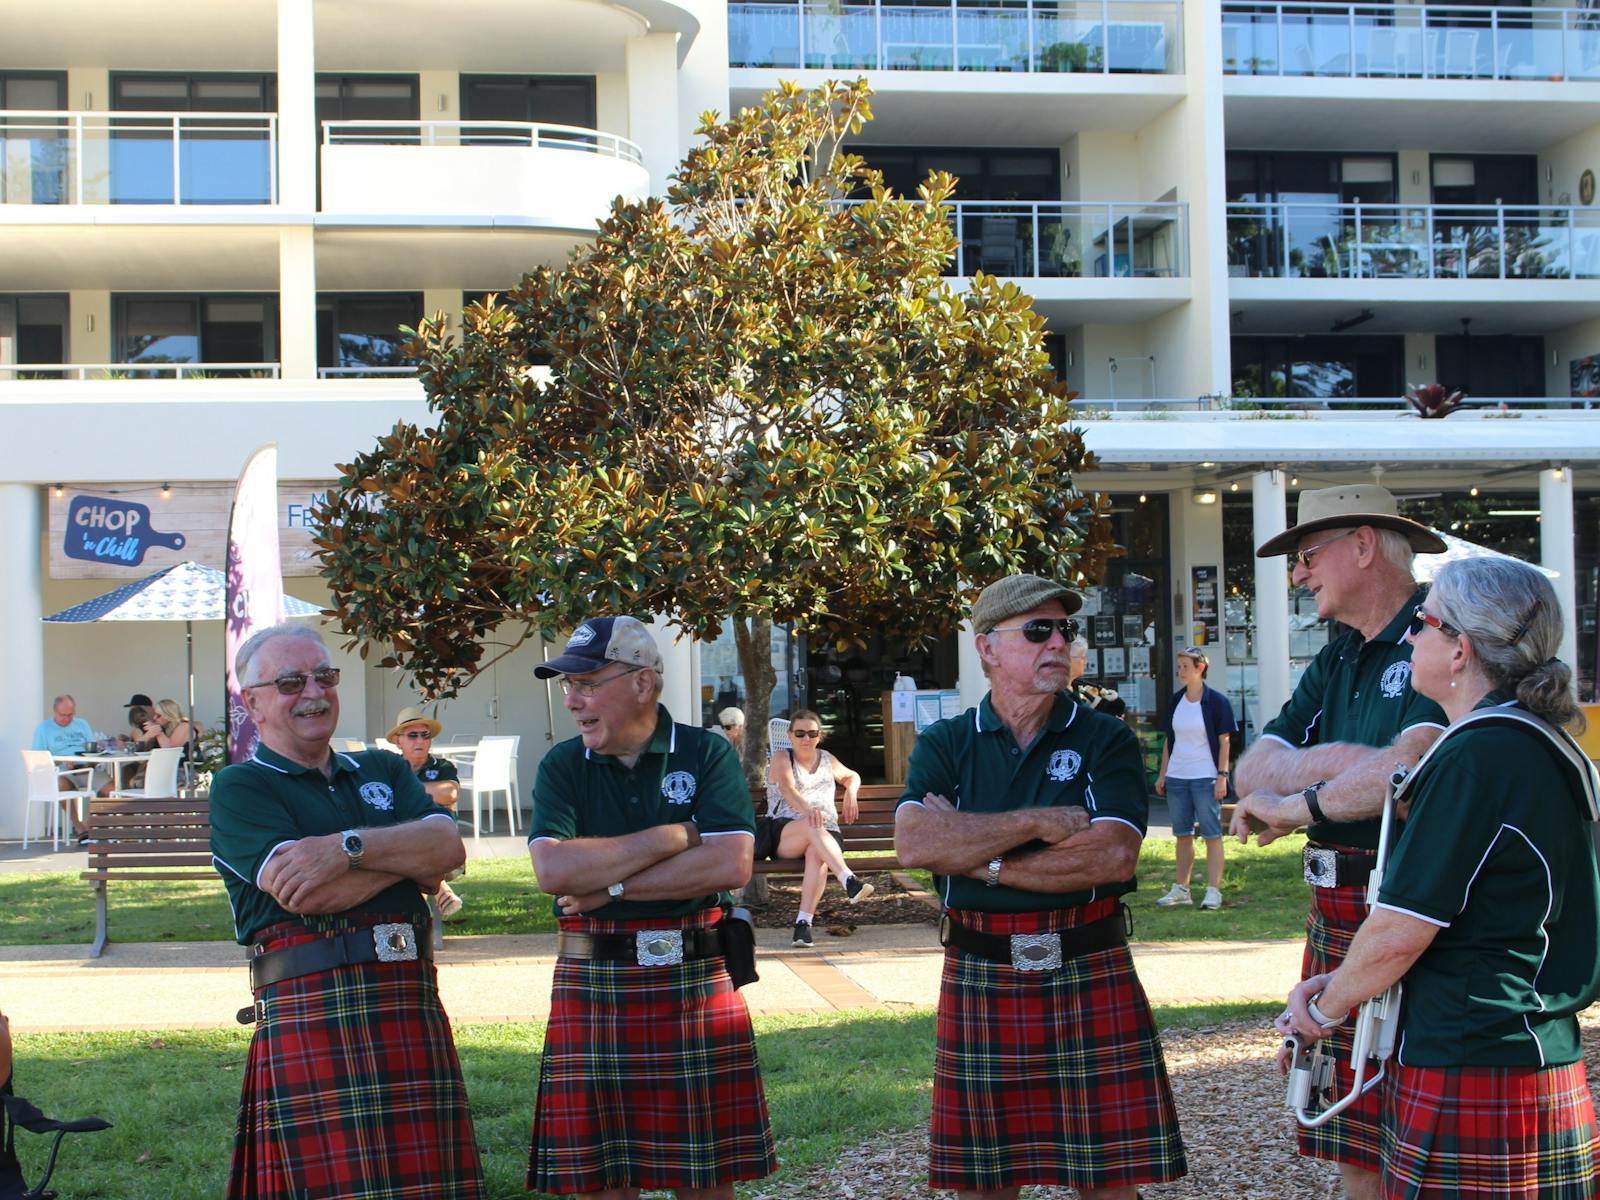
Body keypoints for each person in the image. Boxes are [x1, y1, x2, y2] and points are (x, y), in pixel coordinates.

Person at [1278, 557, 1600, 1198]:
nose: (1412, 637)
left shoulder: (1477, 756)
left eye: (1425, 623)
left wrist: (1324, 1007)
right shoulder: (1538, 742)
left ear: (1461, 650)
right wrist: (1338, 981)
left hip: (1475, 1053)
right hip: (1520, 1048)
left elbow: (1401, 928)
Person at [895, 574, 1186, 1200]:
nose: (1057, 642)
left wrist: (981, 859)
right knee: (982, 1182)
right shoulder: (947, 741)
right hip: (982, 968)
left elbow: (1110, 855)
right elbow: (917, 844)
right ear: (988, 648)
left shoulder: (1104, 737)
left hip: (1087, 963)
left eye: (1065, 629)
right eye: (1037, 630)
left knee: (1108, 1180)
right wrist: (1032, 823)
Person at [208, 622, 484, 1200]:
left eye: (324, 676)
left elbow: (447, 850)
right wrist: (406, 861)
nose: (313, 692)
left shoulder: (383, 769)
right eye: (290, 681)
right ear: (252, 702)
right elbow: (308, 896)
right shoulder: (241, 787)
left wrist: (344, 849)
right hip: (314, 1007)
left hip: (408, 998)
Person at [1229, 484, 1448, 1199]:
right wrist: (1346, 766)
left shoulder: (1443, 631)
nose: (1297, 573)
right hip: (1337, 906)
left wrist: (1295, 806)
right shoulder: (1336, 656)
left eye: (1306, 555)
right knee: (1352, 1132)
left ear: (1361, 545)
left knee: (1424, 1135)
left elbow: (1413, 770)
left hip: (1410, 902)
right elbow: (1250, 769)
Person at [527, 614, 776, 1199]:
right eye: (567, 686)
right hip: (595, 984)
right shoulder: (562, 765)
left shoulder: (706, 753)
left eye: (587, 683)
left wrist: (610, 887)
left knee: (705, 1175)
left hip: (693, 980)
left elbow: (730, 865)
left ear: (644, 683)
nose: (572, 700)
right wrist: (677, 835)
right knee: (601, 1176)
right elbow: (555, 871)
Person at [761, 708, 873, 947]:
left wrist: (851, 792)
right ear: (790, 735)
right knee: (812, 826)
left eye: (812, 734)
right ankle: (848, 880)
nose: (806, 739)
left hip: (825, 834)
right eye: (800, 733)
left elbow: (851, 776)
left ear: (819, 736)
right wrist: (808, 811)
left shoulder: (826, 758)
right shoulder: (782, 757)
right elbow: (788, 789)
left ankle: (803, 925)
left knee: (816, 852)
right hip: (787, 831)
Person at [1153, 645, 1237, 911]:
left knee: (1212, 834)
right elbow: (1170, 740)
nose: (1180, 672)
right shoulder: (1176, 700)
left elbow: (1225, 741)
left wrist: (1222, 776)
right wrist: (1163, 773)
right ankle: (1182, 889)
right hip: (1178, 776)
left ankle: (1213, 891)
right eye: (1179, 667)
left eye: (1185, 667)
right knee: (1182, 834)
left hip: (1205, 777)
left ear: (1200, 668)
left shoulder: (1217, 702)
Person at [388, 704, 465, 919]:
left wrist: (404, 793)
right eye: (413, 735)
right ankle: (440, 891)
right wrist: (427, 794)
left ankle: (419, 922)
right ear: (398, 740)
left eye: (425, 735)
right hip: (402, 846)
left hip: (440, 846)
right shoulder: (389, 768)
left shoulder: (442, 766)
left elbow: (449, 793)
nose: (420, 741)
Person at [30, 694, 97, 836]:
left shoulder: (82, 724)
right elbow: (38, 758)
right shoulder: (44, 728)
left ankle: (89, 822)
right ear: (54, 711)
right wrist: (61, 761)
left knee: (111, 788)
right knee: (60, 785)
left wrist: (93, 758)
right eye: (63, 715)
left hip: (84, 768)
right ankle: (78, 825)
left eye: (70, 715)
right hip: (60, 771)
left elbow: (92, 748)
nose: (67, 719)